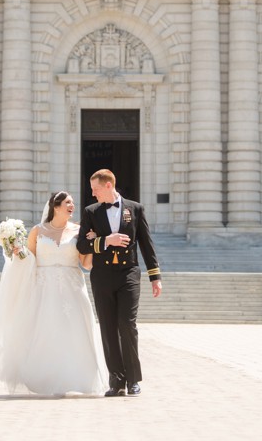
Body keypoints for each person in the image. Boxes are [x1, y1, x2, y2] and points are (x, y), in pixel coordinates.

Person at [0, 191, 107, 396]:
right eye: (68, 202)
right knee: (45, 332)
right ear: (56, 206)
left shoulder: (80, 231)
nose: (72, 206)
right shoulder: (37, 231)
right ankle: (44, 379)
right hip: (44, 289)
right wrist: (18, 252)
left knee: (75, 331)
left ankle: (77, 379)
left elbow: (85, 264)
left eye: (73, 203)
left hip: (73, 288)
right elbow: (29, 259)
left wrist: (95, 245)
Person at [76, 169, 161, 397]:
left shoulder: (135, 209)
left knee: (127, 325)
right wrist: (106, 241)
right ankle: (116, 381)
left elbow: (146, 244)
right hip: (102, 276)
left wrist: (155, 276)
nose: (93, 194)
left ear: (108, 186)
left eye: (95, 189)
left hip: (128, 275)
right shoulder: (91, 212)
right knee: (108, 328)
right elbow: (81, 246)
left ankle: (133, 379)